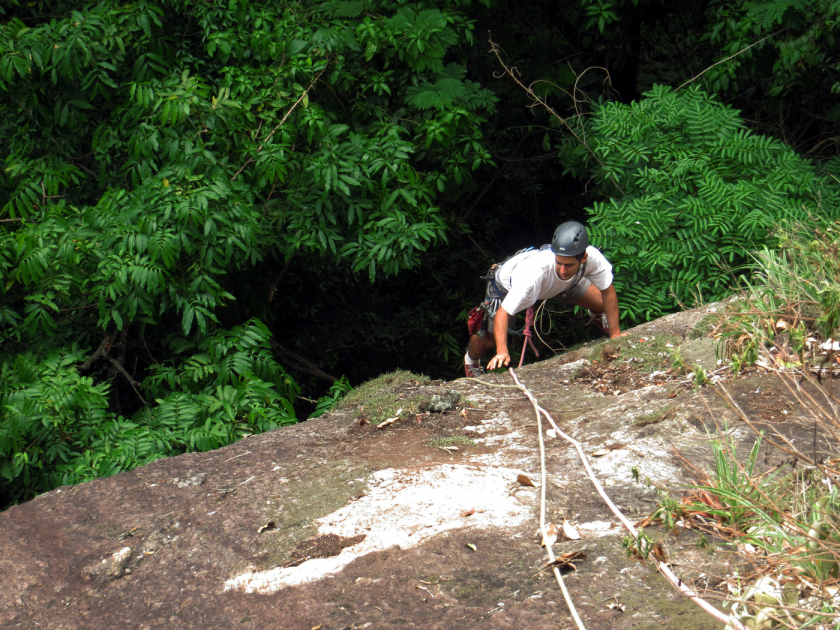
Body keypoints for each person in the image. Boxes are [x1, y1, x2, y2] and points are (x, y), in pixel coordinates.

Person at [464, 221, 624, 377]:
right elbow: (502, 313)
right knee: (490, 339)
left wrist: (615, 334)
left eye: (568, 264)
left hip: (563, 283)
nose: (562, 269)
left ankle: (597, 315)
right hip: (506, 288)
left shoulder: (593, 259)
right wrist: (502, 351)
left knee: (602, 303)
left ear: (583, 258)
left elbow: (608, 292)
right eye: (559, 262)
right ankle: (471, 361)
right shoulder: (533, 276)